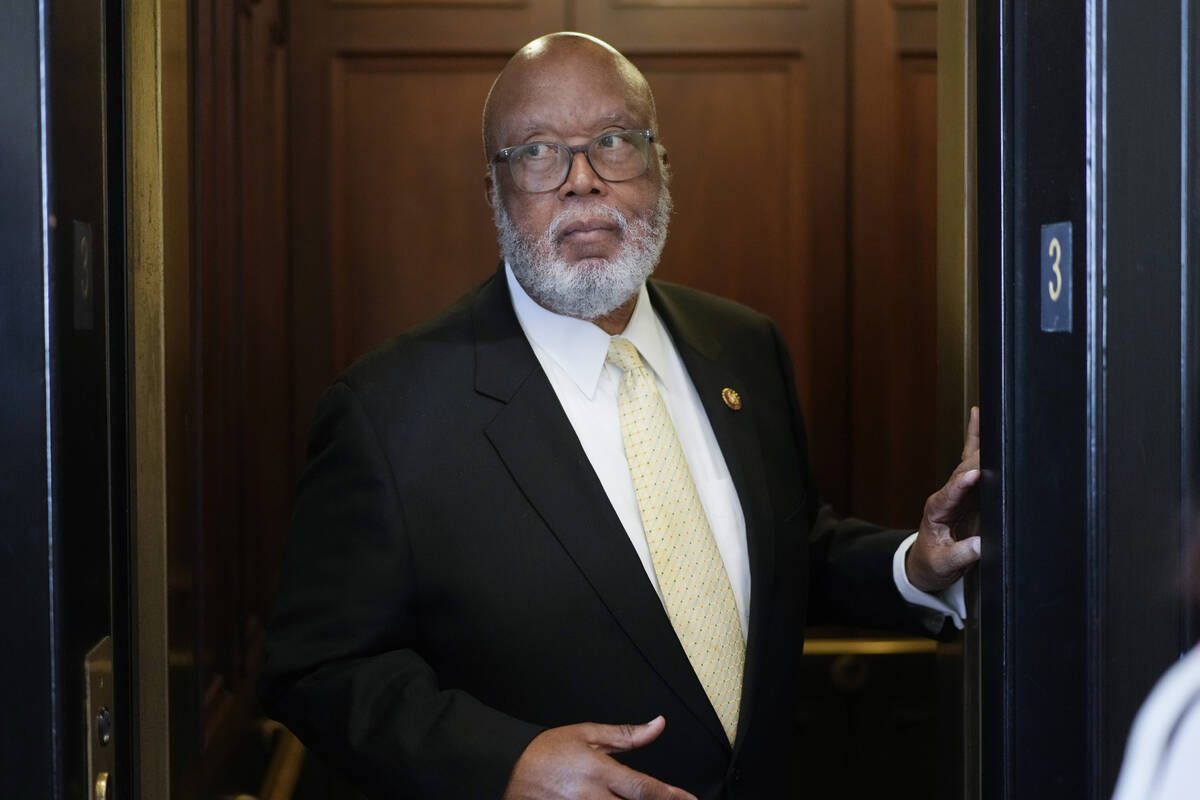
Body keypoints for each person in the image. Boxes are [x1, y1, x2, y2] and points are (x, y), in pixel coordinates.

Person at [259, 31, 982, 799]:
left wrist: (914, 563)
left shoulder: (742, 348)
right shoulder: (389, 411)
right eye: (537, 152)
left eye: (612, 141)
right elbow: (319, 670)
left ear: (660, 167)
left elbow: (785, 550)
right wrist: (502, 762)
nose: (582, 181)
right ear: (494, 192)